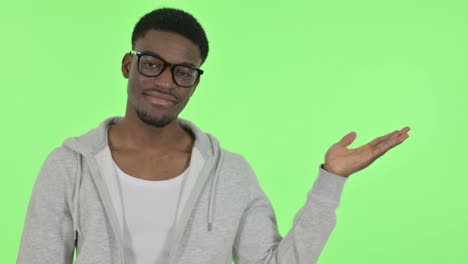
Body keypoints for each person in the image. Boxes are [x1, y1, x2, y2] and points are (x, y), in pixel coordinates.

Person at [17, 8, 410, 264]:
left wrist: (331, 181)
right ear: (128, 65)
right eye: (152, 64)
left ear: (195, 82)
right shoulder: (70, 165)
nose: (166, 83)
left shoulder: (231, 174)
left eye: (183, 72)